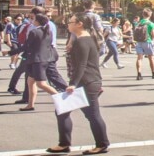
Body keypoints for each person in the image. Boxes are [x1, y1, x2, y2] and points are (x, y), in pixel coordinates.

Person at [46, 14, 109, 154]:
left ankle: (102, 144)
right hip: (89, 81)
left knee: (93, 115)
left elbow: (82, 65)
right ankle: (64, 144)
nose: (68, 24)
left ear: (79, 24)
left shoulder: (83, 41)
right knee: (62, 111)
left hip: (87, 82)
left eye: (70, 22)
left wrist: (73, 84)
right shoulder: (84, 39)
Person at [21, 10, 61, 109]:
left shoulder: (35, 31)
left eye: (33, 18)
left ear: (37, 21)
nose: (32, 20)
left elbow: (27, 46)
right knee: (31, 81)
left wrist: (10, 52)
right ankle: (30, 105)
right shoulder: (48, 31)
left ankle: (61, 99)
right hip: (44, 58)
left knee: (41, 84)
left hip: (38, 59)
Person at [134, 8, 154, 81]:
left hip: (139, 42)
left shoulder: (138, 23)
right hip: (147, 41)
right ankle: (153, 73)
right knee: (151, 58)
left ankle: (139, 74)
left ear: (142, 14)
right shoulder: (151, 24)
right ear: (150, 15)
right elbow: (153, 35)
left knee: (139, 58)